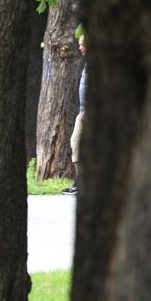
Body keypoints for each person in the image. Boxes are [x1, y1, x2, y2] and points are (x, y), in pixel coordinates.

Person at [63, 36, 87, 194]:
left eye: (81, 45)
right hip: (83, 110)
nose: (79, 48)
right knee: (76, 142)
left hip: (87, 111)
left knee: (77, 141)